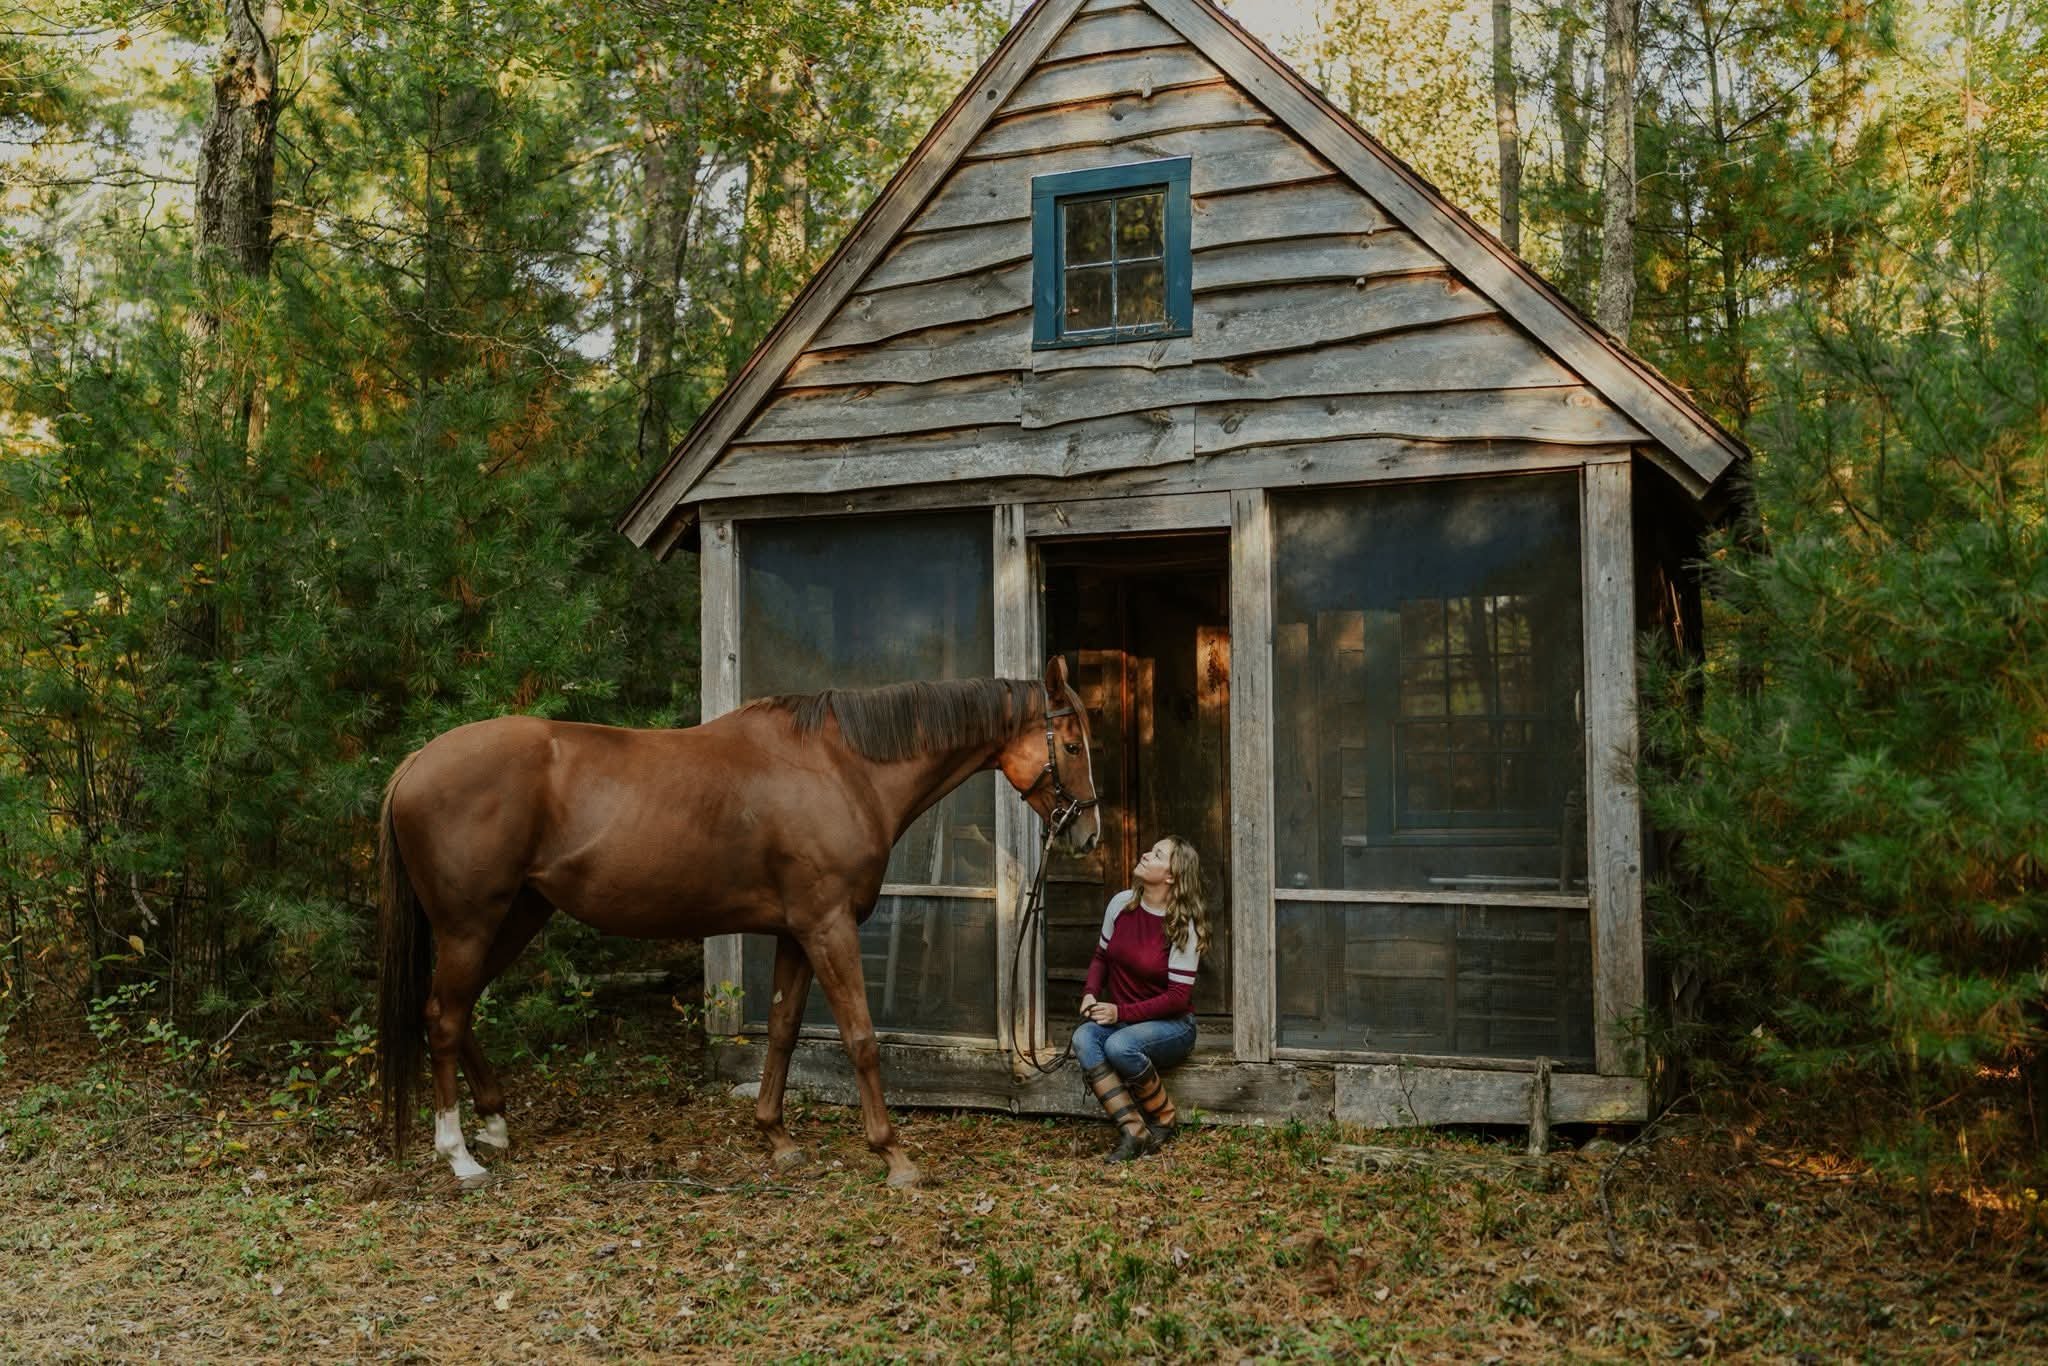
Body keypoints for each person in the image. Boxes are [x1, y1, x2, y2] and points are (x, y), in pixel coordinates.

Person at [1074, 836, 1209, 1162]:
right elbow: (1101, 957)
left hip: (1172, 1026)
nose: (1146, 853)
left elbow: (1177, 998)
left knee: (1120, 1046)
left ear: (1171, 876)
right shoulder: (1121, 904)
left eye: (1158, 854)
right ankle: (1133, 1130)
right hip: (1125, 1022)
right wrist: (1091, 992)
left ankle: (1163, 1117)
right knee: (1083, 1038)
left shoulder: (1182, 926)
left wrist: (1120, 1010)